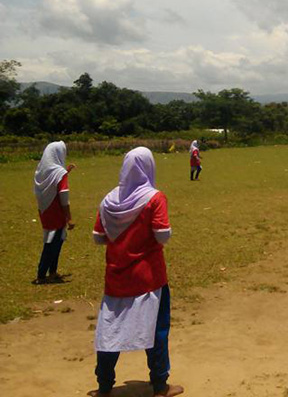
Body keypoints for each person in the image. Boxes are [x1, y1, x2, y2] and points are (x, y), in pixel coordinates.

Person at [91, 147, 183, 397]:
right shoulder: (154, 198)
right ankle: (160, 386)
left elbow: (99, 238)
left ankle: (104, 386)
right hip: (149, 279)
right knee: (157, 331)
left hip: (116, 279)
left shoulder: (108, 201)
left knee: (110, 333)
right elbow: (162, 235)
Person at [33, 141, 76, 285]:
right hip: (56, 213)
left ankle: (52, 272)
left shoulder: (41, 170)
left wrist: (66, 171)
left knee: (55, 241)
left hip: (44, 211)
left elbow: (51, 184)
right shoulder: (59, 173)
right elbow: (63, 195)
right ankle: (42, 274)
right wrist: (69, 218)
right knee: (52, 243)